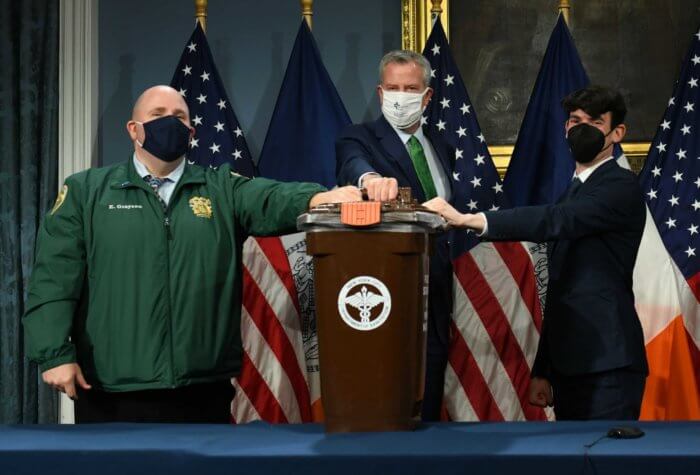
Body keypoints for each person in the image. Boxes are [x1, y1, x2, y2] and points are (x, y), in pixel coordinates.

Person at [23, 85, 362, 423]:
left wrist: (318, 199)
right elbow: (53, 278)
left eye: (179, 117)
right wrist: (53, 354)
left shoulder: (220, 188)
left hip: (202, 391)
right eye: (157, 115)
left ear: (191, 132)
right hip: (110, 391)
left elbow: (270, 198)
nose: (169, 123)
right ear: (133, 129)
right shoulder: (87, 192)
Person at [424, 86, 648, 421]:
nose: (581, 128)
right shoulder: (575, 190)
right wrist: (544, 368)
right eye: (575, 120)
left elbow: (556, 221)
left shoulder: (620, 186)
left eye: (594, 122)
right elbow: (561, 291)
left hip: (607, 365)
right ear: (565, 128)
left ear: (617, 133)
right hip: (571, 367)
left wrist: (471, 220)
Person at [335, 50, 455, 420]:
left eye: (410, 88)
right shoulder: (359, 138)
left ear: (427, 96)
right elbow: (353, 164)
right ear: (380, 92)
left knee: (430, 407)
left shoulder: (443, 145)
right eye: (392, 88)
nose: (400, 96)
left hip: (436, 297)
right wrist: (370, 180)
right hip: (387, 298)